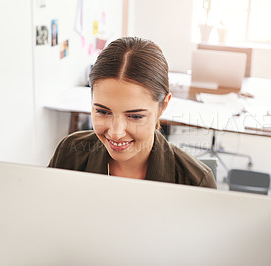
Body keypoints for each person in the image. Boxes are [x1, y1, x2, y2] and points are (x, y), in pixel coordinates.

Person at [49, 37, 217, 189]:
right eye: (102, 111)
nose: (116, 132)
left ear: (163, 106)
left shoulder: (195, 182)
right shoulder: (69, 153)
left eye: (135, 116)